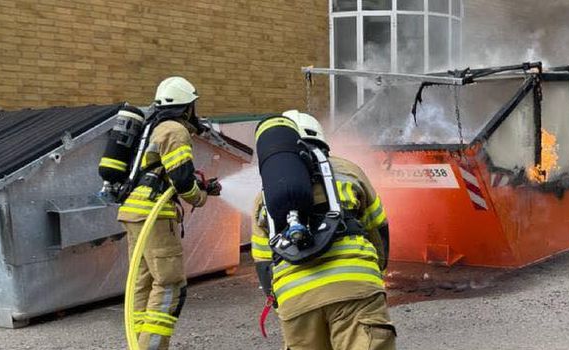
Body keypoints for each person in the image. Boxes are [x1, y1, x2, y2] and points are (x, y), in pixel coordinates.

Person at [251, 110, 395, 350]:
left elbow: (264, 263)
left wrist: (281, 301)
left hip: (295, 299)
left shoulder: (265, 196)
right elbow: (377, 228)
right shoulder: (349, 171)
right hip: (355, 285)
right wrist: (376, 274)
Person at [118, 76, 221, 350]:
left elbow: (161, 172)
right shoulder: (175, 130)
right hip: (155, 213)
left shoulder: (152, 127)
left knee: (143, 283)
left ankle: (138, 344)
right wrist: (199, 197)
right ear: (186, 107)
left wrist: (203, 186)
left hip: (134, 210)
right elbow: (182, 179)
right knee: (169, 283)